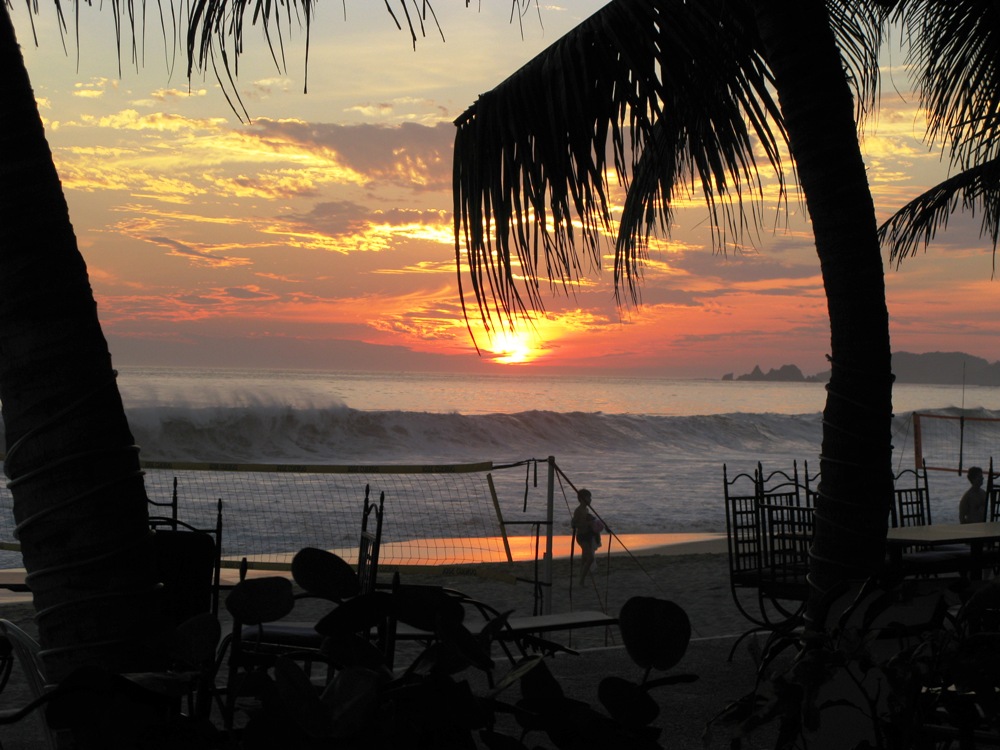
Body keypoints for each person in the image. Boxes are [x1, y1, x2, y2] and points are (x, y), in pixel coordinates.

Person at [572, 488, 604, 584]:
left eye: (590, 498)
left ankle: (581, 577)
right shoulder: (578, 511)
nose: (590, 500)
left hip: (588, 535)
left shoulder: (586, 509)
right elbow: (575, 525)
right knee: (590, 558)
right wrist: (589, 523)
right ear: (582, 499)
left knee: (584, 559)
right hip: (582, 537)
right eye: (588, 498)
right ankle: (581, 580)